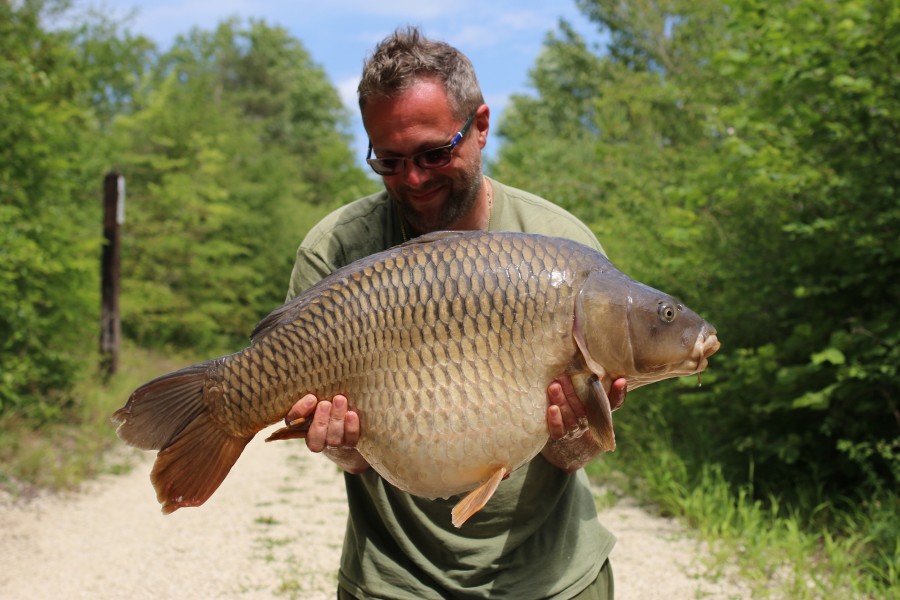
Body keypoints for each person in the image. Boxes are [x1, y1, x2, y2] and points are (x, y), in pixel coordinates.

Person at [281, 27, 626, 600]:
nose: (413, 180)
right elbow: (352, 460)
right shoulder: (335, 251)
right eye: (389, 162)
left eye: (434, 154)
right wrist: (340, 441)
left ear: (481, 126)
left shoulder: (564, 248)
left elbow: (574, 458)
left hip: (552, 580)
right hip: (393, 581)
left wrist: (576, 431)